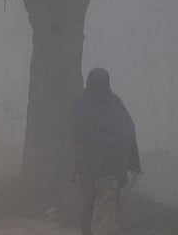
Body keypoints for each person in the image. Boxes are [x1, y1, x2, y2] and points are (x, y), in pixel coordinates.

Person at [72, 68, 141, 235]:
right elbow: (75, 136)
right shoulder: (88, 105)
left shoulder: (90, 105)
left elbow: (127, 132)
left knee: (103, 210)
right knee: (97, 209)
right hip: (93, 168)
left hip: (105, 169)